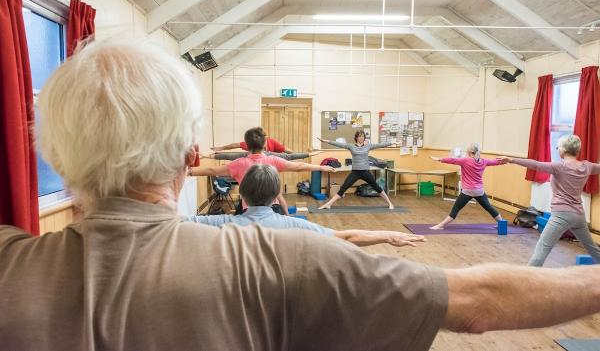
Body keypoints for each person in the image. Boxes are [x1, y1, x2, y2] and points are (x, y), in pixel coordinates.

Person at [5, 40, 600, 351]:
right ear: (190, 155)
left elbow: (303, 160)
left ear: (52, 156)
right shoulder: (280, 253)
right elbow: (480, 299)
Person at [188, 164, 426, 247]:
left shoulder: (221, 223)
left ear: (243, 197)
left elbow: (169, 223)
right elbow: (347, 238)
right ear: (275, 198)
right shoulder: (295, 225)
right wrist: (386, 236)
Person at [499, 134, 600, 266]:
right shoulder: (586, 166)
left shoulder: (559, 166)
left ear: (563, 150)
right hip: (579, 215)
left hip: (561, 215)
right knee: (592, 249)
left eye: (558, 147)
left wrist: (511, 160)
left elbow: (535, 164)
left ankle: (527, 279)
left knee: (542, 248)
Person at [190, 127, 335, 215]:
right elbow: (299, 166)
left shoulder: (238, 163)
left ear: (246, 145)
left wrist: (189, 172)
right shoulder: (273, 160)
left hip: (249, 211)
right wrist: (321, 167)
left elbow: (210, 169)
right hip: (272, 209)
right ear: (265, 144)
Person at [429, 143, 505, 230]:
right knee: (489, 208)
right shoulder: (484, 161)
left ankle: (440, 226)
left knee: (455, 209)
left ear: (470, 152)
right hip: (479, 191)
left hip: (468, 191)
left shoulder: (465, 160)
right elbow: (495, 162)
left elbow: (452, 160)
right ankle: (501, 223)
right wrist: (508, 160)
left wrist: (439, 159)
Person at [318, 131, 395, 209]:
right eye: (359, 136)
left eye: (362, 136)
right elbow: (340, 144)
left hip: (365, 171)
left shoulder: (368, 146)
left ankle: (390, 203)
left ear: (364, 138)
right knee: (343, 188)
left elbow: (380, 145)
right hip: (355, 172)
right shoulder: (351, 146)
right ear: (356, 137)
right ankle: (329, 204)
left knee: (377, 187)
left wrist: (392, 142)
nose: (361, 138)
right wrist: (326, 141)